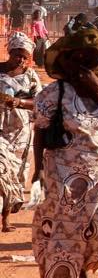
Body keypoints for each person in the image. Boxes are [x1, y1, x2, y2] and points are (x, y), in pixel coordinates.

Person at [32, 28, 98, 274]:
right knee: (64, 234)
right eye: (76, 58)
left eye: (88, 59)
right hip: (63, 180)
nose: (82, 64)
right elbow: (40, 131)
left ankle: (85, 267)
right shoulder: (54, 93)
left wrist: (96, 87)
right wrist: (38, 170)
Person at [0, 33, 42, 232]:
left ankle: (6, 216)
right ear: (10, 52)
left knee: (15, 174)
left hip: (20, 133)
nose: (21, 60)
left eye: (25, 57)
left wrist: (19, 102)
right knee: (1, 171)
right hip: (0, 130)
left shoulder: (31, 76)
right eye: (18, 55)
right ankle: (5, 219)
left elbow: (40, 102)